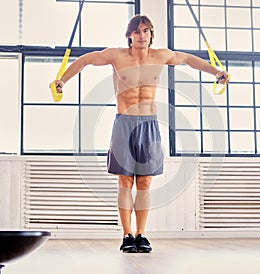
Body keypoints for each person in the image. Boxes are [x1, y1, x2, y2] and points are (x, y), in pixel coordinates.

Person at [50, 14, 229, 253]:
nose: (141, 35)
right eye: (136, 31)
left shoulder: (161, 56)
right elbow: (85, 60)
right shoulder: (117, 56)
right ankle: (126, 235)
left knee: (144, 182)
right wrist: (62, 79)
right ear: (129, 35)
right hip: (124, 122)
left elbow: (187, 59)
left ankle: (141, 234)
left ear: (151, 34)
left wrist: (215, 72)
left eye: (146, 31)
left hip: (149, 124)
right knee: (125, 181)